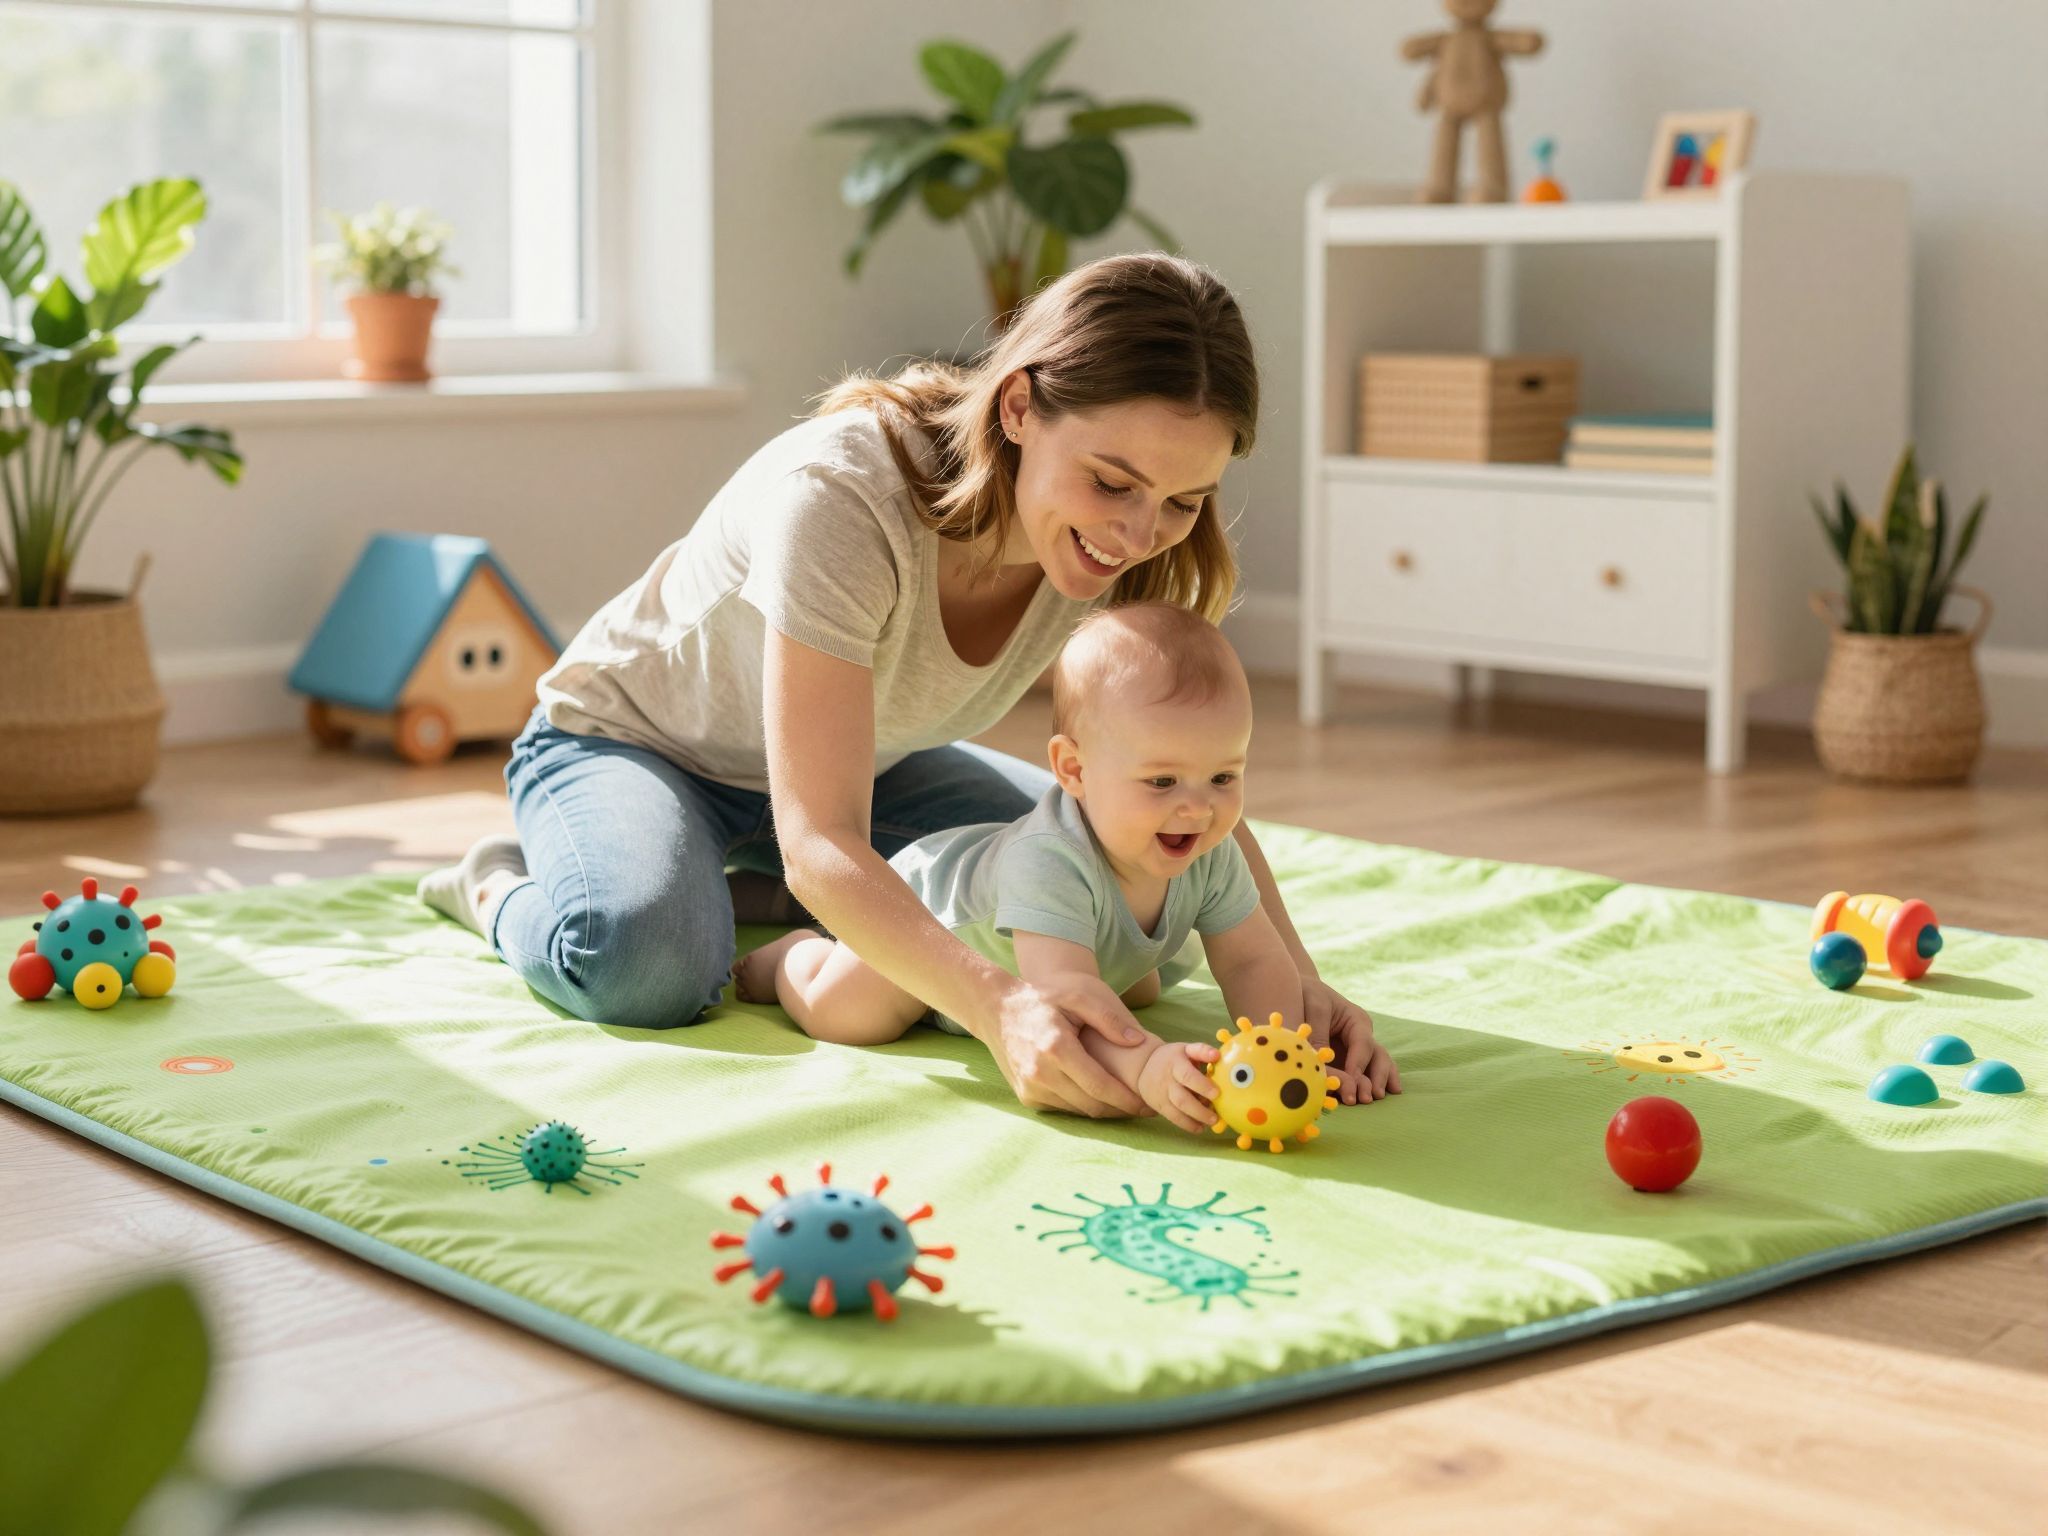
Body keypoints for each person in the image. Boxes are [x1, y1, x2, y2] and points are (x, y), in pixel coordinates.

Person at [419, 253, 1400, 1118]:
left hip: (871, 764)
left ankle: (755, 894)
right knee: (649, 966)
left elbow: (1183, 782)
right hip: (632, 744)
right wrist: (997, 1006)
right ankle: (500, 887)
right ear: (1018, 408)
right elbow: (819, 838)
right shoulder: (842, 500)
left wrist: (1305, 995)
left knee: (1132, 883)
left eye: (1183, 500)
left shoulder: (1127, 553)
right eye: (1111, 482)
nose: (1139, 532)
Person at [736, 603, 1370, 1135]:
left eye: (1224, 776)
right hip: (934, 928)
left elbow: (1254, 960)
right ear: (1073, 771)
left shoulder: (1208, 848)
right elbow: (1061, 1004)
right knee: (845, 1016)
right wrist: (1147, 1069)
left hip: (1047, 959)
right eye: (1162, 780)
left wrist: (1290, 1054)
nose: (1198, 807)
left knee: (1142, 984)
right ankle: (795, 951)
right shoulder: (1050, 862)